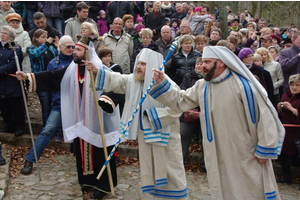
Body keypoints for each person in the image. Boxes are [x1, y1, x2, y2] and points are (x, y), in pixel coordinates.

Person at [151, 45, 284, 200]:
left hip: (244, 152)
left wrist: (265, 148)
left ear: (221, 63)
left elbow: (264, 117)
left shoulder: (243, 86)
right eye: (202, 62)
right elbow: (181, 100)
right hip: (216, 150)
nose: (203, 66)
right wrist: (162, 81)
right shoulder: (203, 86)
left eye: (207, 62)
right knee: (223, 188)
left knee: (249, 190)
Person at [16, 37, 121, 200]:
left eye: (78, 50)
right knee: (81, 151)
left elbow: (114, 85)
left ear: (87, 53)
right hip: (80, 119)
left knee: (100, 151)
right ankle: (87, 181)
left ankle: (103, 187)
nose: (74, 52)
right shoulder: (71, 69)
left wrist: (106, 100)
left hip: (98, 120)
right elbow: (52, 77)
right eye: (74, 49)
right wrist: (29, 77)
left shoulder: (99, 68)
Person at [87, 48, 188, 199]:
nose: (138, 67)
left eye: (143, 64)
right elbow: (118, 80)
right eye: (138, 63)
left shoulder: (168, 84)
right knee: (148, 168)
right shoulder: (135, 81)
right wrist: (97, 71)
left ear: (153, 65)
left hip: (165, 136)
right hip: (145, 134)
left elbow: (177, 107)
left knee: (170, 169)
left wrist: (154, 116)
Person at [20, 35, 74, 174]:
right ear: (60, 47)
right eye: (68, 46)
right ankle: (30, 159)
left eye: (73, 46)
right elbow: (48, 78)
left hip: (77, 105)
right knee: (47, 130)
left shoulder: (78, 62)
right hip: (59, 103)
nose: (71, 49)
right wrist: (27, 76)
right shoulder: (53, 63)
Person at [28, 29, 58, 127]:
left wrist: (57, 47)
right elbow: (35, 55)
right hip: (41, 81)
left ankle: (54, 127)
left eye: (46, 37)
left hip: (52, 80)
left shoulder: (51, 48)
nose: (46, 39)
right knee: (46, 106)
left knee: (53, 104)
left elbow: (57, 58)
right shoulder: (32, 48)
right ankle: (46, 127)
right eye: (43, 37)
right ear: (36, 38)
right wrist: (46, 44)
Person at [0, 25, 25, 136]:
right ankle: (9, 125)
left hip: (12, 80)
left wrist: (1, 70)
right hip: (1, 81)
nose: (2, 35)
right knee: (4, 105)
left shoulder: (16, 48)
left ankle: (19, 126)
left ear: (11, 36)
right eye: (2, 33)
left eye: (5, 33)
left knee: (15, 105)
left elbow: (13, 63)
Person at [179, 57, 204, 164]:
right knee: (183, 135)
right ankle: (180, 161)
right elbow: (183, 90)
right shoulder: (188, 76)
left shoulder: (209, 78)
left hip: (204, 110)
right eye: (197, 64)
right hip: (189, 111)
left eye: (201, 63)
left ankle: (205, 165)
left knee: (206, 139)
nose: (199, 66)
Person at [276, 74, 300, 184]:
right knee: (284, 155)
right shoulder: (285, 96)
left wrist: (292, 109)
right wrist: (279, 108)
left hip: (296, 133)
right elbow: (280, 115)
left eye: (297, 85)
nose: (294, 87)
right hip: (285, 131)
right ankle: (287, 176)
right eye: (292, 85)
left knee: (297, 155)